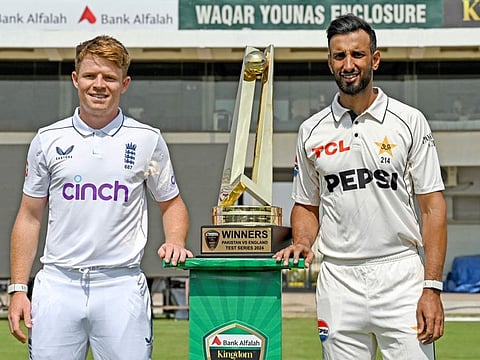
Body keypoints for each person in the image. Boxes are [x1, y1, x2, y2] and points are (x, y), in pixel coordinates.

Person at [7, 35, 193, 359]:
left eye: (109, 77)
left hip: (121, 285)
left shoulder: (147, 140)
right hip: (57, 284)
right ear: (75, 79)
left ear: (125, 83)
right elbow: (29, 216)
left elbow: (172, 203)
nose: (99, 85)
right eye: (91, 76)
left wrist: (175, 239)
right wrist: (19, 288)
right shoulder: (47, 139)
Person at [274, 14, 447, 360]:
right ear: (330, 62)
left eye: (357, 55)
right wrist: (303, 241)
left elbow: (432, 207)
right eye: (339, 56)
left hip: (400, 275)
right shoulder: (311, 130)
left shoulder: (409, 121)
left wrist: (432, 287)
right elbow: (306, 204)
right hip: (338, 278)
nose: (348, 64)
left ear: (375, 60)